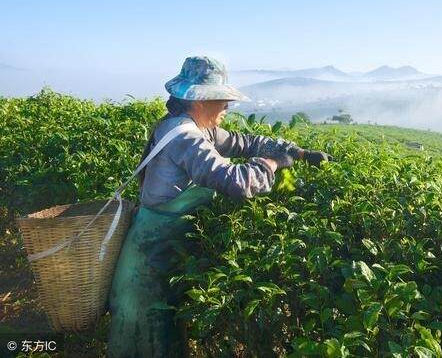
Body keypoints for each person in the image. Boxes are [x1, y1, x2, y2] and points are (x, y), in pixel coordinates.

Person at [106, 56, 332, 357]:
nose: (227, 108)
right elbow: (235, 181)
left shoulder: (194, 127)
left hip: (164, 254)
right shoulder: (185, 137)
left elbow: (243, 142)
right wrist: (272, 164)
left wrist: (297, 152)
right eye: (221, 100)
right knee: (149, 334)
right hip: (149, 262)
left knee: (166, 330)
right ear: (200, 101)